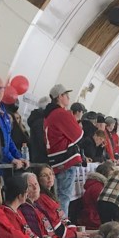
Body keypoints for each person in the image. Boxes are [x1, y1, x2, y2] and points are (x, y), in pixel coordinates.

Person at [19, 172, 84, 238]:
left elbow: (62, 221)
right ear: (23, 190)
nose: (35, 188)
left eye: (36, 184)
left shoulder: (37, 204)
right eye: (30, 186)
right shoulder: (27, 209)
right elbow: (40, 237)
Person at [44, 84, 84, 213]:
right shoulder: (61, 113)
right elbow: (78, 135)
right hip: (66, 160)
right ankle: (64, 225)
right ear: (60, 97)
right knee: (64, 197)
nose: (68, 97)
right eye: (66, 95)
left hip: (55, 160)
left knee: (58, 197)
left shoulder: (48, 115)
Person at [0, 76, 27, 169]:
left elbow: (8, 138)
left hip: (5, 163)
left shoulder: (4, 110)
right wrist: (11, 158)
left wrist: (19, 157)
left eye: (1, 88)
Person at [78, 161, 114, 230]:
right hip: (94, 218)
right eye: (111, 175)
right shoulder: (98, 187)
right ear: (105, 174)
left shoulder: (97, 184)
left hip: (91, 216)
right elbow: (103, 206)